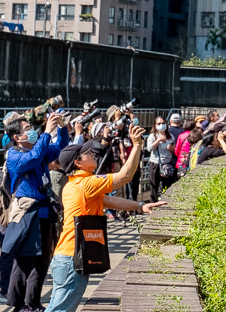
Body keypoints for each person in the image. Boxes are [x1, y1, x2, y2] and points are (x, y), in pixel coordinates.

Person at [44, 125, 166, 312]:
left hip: (65, 257)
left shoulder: (73, 185)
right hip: (71, 259)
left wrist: (140, 206)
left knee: (56, 308)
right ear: (78, 163)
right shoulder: (86, 184)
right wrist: (137, 145)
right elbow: (124, 176)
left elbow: (109, 200)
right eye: (87, 154)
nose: (92, 154)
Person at [3, 112, 69, 312]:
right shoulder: (14, 155)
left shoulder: (40, 150)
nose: (31, 131)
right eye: (27, 130)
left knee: (42, 260)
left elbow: (60, 148)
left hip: (44, 211)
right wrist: (46, 132)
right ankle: (18, 303)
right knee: (24, 259)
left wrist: (62, 127)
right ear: (17, 137)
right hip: (27, 213)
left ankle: (33, 302)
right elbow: (32, 159)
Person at [146, 116, 177, 201]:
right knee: (154, 186)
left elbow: (174, 151)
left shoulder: (171, 136)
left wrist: (171, 149)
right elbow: (149, 148)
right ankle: (153, 204)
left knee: (166, 186)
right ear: (155, 125)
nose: (161, 125)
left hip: (167, 164)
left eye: (163, 123)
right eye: (159, 124)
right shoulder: (153, 136)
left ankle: (164, 202)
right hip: (155, 163)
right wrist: (159, 140)